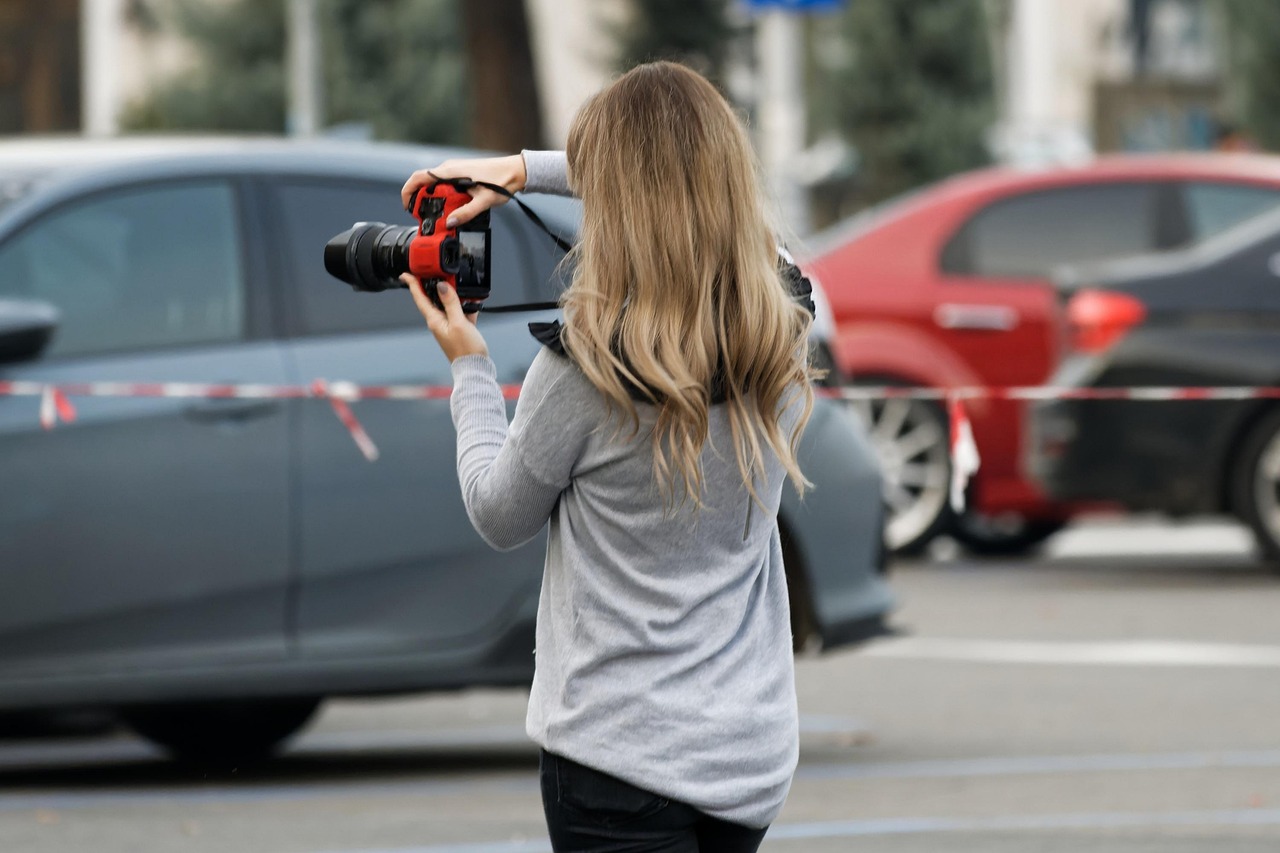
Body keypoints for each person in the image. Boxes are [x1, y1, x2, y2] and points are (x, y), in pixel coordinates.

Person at [400, 61, 816, 853]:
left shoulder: (587, 370)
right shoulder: (783, 325)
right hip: (747, 762)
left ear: (615, 204)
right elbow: (712, 202)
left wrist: (469, 367)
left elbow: (498, 512)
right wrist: (524, 172)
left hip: (618, 758)